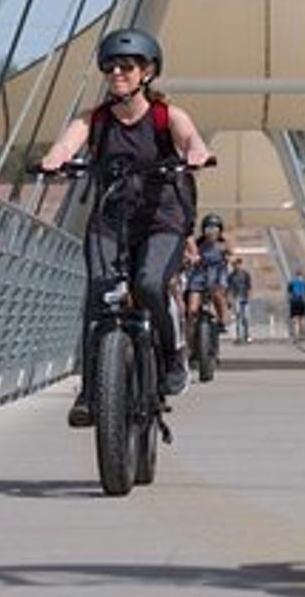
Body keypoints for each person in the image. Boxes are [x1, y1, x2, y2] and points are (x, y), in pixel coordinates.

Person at [40, 28, 212, 425]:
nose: (118, 72)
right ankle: (90, 391)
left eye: (127, 66)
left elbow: (190, 141)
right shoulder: (95, 119)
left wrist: (197, 153)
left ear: (147, 72)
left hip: (161, 221)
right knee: (98, 298)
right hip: (110, 220)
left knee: (149, 284)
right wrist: (55, 157)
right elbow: (67, 144)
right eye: (110, 66)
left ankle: (172, 356)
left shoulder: (167, 116)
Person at [183, 212, 231, 339]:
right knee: (192, 309)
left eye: (215, 229)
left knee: (217, 294)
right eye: (208, 229)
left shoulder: (223, 243)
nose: (211, 232)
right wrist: (189, 258)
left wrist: (230, 258)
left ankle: (222, 320)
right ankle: (189, 334)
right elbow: (188, 254)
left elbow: (233, 254)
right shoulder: (198, 244)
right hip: (199, 275)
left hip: (217, 275)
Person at [225, 254, 253, 343]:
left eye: (238, 263)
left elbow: (249, 286)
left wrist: (249, 297)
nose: (237, 266)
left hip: (244, 297)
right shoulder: (231, 276)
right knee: (237, 317)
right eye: (235, 264)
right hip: (236, 297)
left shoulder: (245, 274)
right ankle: (238, 336)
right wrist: (229, 299)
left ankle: (247, 335)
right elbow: (228, 288)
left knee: (245, 318)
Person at [285, 270, 305, 339]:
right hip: (302, 301)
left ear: (295, 275)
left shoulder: (291, 282)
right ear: (301, 275)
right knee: (303, 318)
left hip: (294, 302)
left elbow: (289, 292)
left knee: (295, 319)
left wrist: (290, 300)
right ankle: (304, 334)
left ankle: (297, 335)